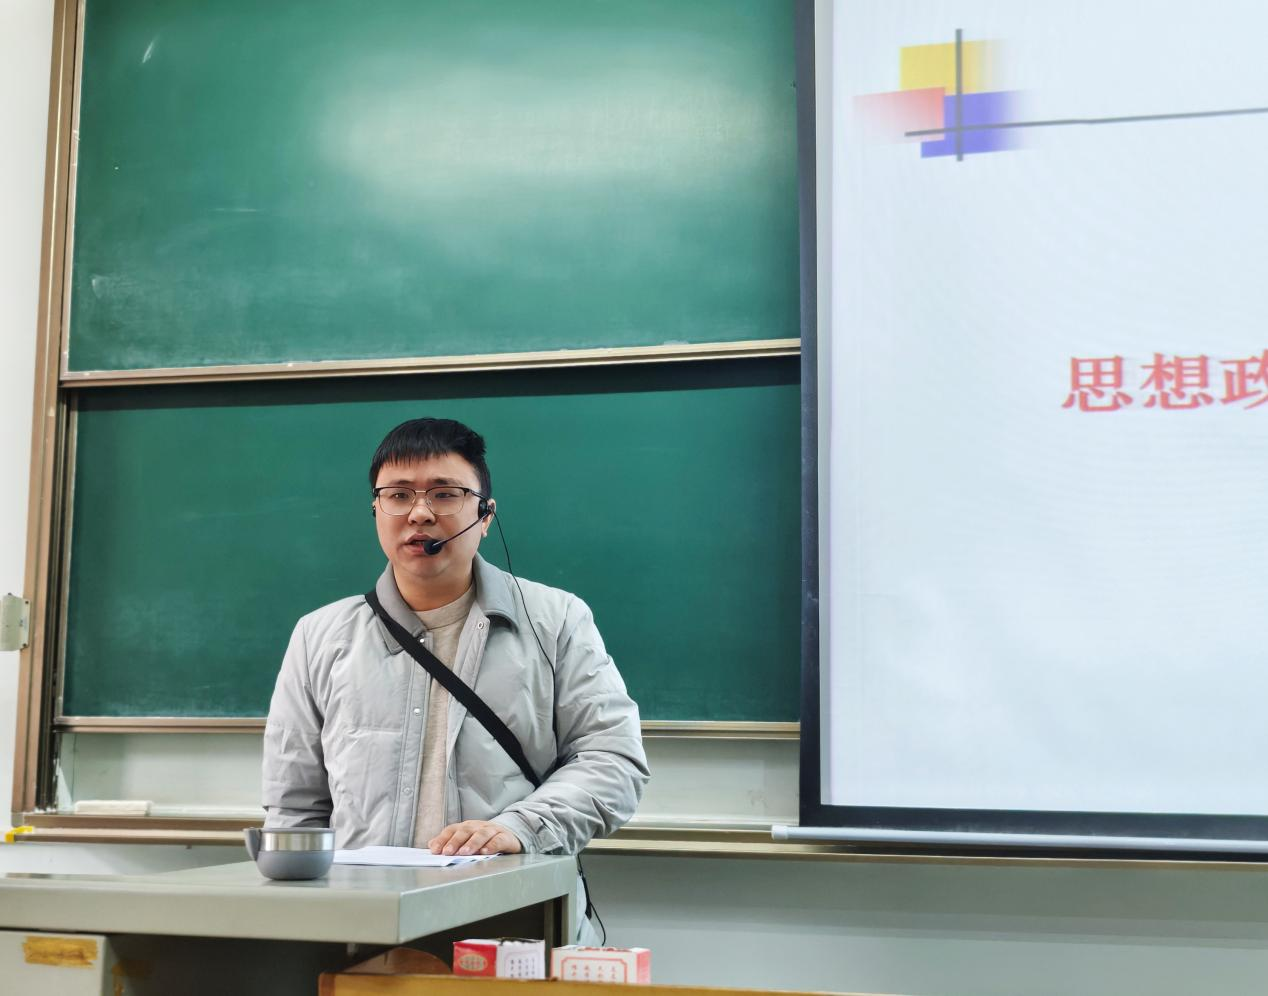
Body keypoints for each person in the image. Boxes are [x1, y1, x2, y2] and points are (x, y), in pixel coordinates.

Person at [262, 417, 649, 870]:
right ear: (376, 511)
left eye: (445, 494)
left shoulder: (556, 620)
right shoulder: (319, 635)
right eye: (398, 495)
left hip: (507, 903)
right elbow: (294, 807)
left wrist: (522, 828)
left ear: (485, 516)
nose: (420, 514)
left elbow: (613, 760)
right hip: (364, 906)